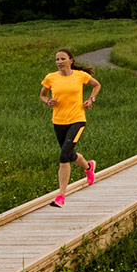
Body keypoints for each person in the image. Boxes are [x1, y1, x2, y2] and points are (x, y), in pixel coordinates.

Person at [39, 48, 100, 206]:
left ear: (71, 61)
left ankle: (61, 196)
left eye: (62, 59)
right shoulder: (50, 78)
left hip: (77, 120)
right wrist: (48, 102)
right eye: (57, 59)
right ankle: (88, 166)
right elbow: (42, 95)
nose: (59, 62)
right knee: (70, 156)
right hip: (58, 121)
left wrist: (91, 100)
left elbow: (96, 85)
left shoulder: (81, 76)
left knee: (63, 156)